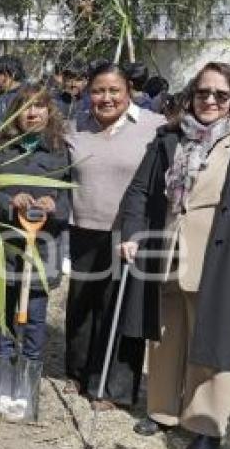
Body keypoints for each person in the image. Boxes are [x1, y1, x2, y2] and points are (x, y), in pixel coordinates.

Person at [119, 62, 230, 449]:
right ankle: (162, 410)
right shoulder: (169, 139)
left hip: (222, 258)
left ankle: (206, 424)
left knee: (214, 341)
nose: (210, 100)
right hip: (166, 252)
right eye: (203, 92)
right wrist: (132, 235)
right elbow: (140, 191)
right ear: (192, 95)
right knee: (165, 334)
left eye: (220, 95)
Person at [64, 60, 165, 411]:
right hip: (83, 229)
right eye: (97, 91)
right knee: (82, 305)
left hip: (130, 234)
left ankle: (112, 386)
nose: (105, 98)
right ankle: (78, 371)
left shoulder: (155, 127)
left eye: (114, 90)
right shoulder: (73, 125)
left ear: (129, 92)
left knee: (119, 308)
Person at [0, 84, 70, 365]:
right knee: (3, 309)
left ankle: (31, 363)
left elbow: (68, 195)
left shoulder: (58, 150)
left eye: (39, 106)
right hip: (2, 243)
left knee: (36, 313)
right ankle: (3, 359)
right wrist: (9, 201)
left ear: (49, 111)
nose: (32, 113)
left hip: (42, 246)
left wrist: (54, 206)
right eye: (25, 106)